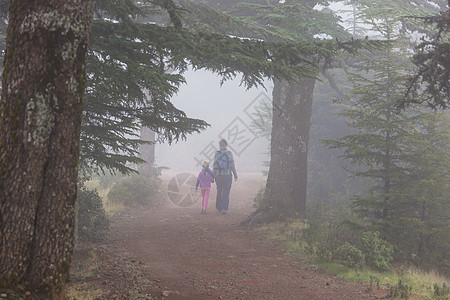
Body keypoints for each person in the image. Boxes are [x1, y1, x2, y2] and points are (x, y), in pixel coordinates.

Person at [213, 139, 238, 214]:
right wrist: (235, 175)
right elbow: (232, 165)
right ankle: (224, 208)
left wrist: (213, 175)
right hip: (227, 175)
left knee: (219, 190)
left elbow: (215, 165)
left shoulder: (217, 153)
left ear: (219, 145)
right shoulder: (229, 153)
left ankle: (219, 207)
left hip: (218, 175)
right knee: (226, 192)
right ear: (226, 145)